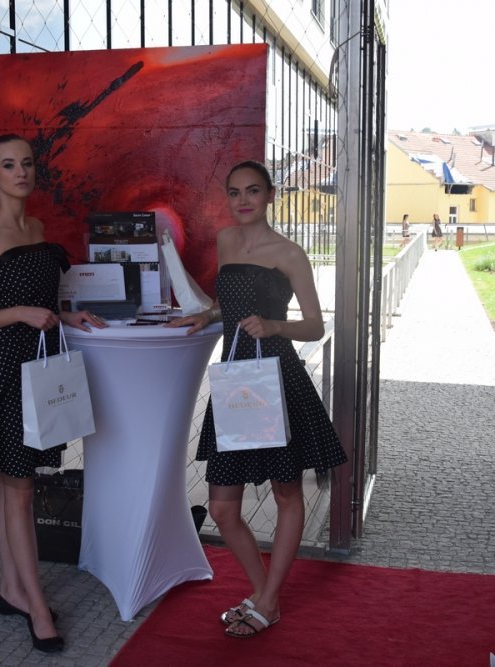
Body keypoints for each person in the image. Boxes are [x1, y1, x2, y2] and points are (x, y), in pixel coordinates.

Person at [167, 160, 348, 638]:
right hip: (236, 382)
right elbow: (229, 304)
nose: (243, 200)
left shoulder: (290, 253)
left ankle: (267, 601)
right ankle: (264, 593)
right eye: (234, 192)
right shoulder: (226, 241)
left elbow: (315, 325)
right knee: (223, 508)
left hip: (276, 379)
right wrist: (208, 315)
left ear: (270, 195)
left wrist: (274, 326)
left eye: (252, 191)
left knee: (287, 493)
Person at [0, 133, 105, 654]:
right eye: (9, 165)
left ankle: (11, 590)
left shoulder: (36, 229)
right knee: (18, 488)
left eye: (27, 164)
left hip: (39, 368)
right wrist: (18, 313)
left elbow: (42, 303)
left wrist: (65, 316)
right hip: (2, 371)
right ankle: (37, 607)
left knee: (19, 485)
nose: (21, 172)